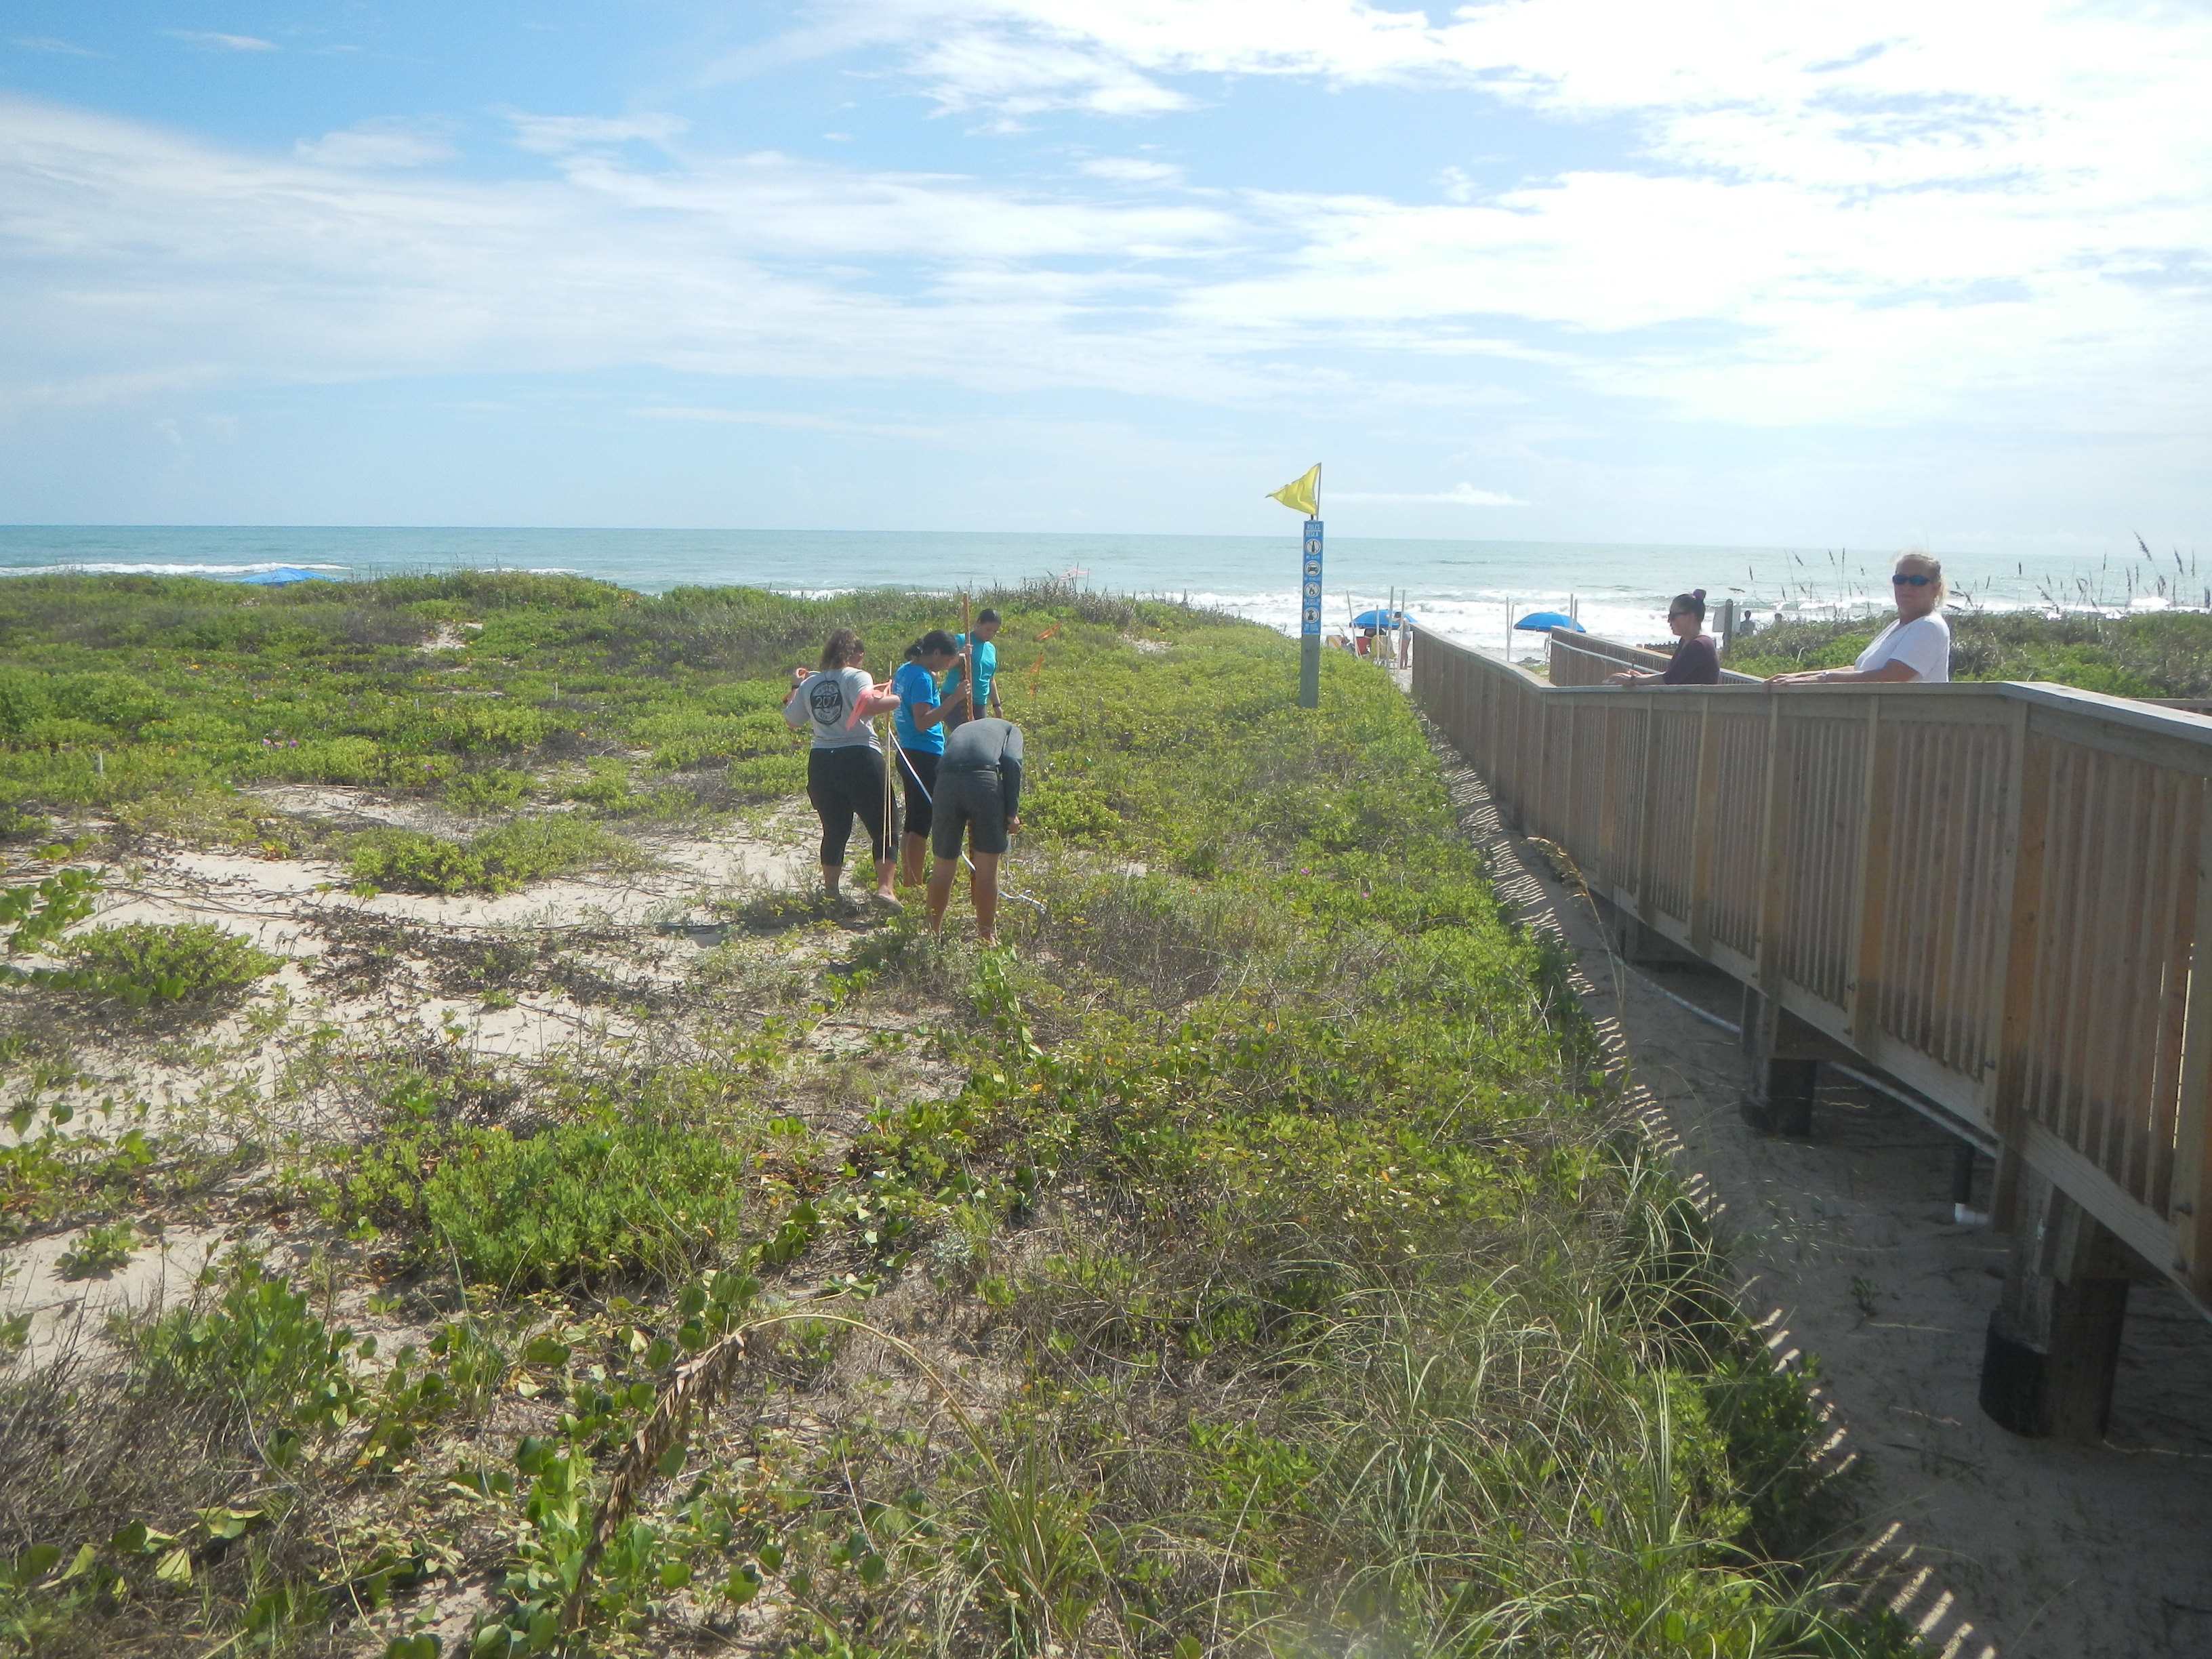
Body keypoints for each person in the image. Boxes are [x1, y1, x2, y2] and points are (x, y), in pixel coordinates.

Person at [781, 628, 898, 907]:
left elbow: (792, 720)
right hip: (859, 755)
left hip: (822, 762)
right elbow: (868, 704)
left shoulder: (811, 683)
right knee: (885, 826)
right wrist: (895, 699)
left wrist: (797, 686)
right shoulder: (858, 676)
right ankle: (885, 888)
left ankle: (831, 892)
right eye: (861, 655)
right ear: (856, 654)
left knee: (834, 829)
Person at [1768, 552, 1951, 687]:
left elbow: (1891, 677)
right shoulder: (1898, 626)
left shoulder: (1929, 626)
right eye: (1900, 579)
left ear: (1936, 588)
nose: (1907, 587)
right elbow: (1858, 670)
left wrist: (1824, 679)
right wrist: (1799, 677)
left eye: (1917, 581)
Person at [926, 716, 1023, 945]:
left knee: (942, 867)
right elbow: (1012, 762)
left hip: (945, 783)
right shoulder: (1011, 729)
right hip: (983, 782)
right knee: (987, 870)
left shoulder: (960, 727)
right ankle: (986, 937)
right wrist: (1012, 812)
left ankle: (931, 935)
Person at [890, 630, 967, 889]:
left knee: (912, 821)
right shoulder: (923, 679)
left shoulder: (906, 669)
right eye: (947, 662)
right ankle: (914, 883)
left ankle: (909, 879)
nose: (947, 667)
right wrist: (954, 699)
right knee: (922, 823)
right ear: (936, 654)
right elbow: (923, 722)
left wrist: (963, 656)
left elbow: (933, 672)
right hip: (923, 753)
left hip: (907, 750)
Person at [1608, 591, 1721, 686]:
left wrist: (1633, 680)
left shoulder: (1699, 645)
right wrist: (1642, 678)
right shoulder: (1687, 641)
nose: (1669, 621)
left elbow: (1670, 679)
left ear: (1690, 617)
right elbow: (1674, 675)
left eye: (1672, 616)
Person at [942, 608, 1002, 731]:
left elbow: (990, 679)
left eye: (994, 632)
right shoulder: (961, 640)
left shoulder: (991, 649)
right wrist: (961, 655)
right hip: (957, 698)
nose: (990, 634)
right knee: (963, 736)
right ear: (979, 624)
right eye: (988, 630)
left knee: (978, 739)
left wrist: (997, 705)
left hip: (979, 702)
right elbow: (944, 666)